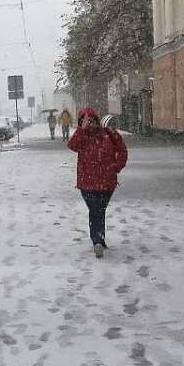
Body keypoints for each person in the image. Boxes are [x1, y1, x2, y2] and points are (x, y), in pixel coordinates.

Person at [66, 107, 128, 258]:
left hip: (107, 182)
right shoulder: (82, 136)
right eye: (86, 120)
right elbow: (72, 146)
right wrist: (82, 130)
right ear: (81, 122)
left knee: (100, 210)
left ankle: (99, 239)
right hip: (87, 183)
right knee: (95, 209)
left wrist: (116, 167)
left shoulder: (109, 134)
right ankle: (98, 240)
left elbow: (122, 150)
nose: (90, 123)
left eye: (92, 119)